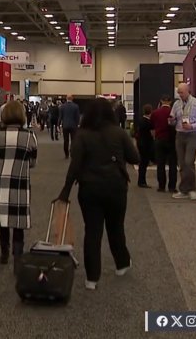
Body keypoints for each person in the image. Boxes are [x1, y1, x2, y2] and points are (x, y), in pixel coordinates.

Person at [57, 98, 138, 291]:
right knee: (116, 227)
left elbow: (75, 165)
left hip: (90, 188)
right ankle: (122, 263)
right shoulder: (119, 132)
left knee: (92, 231)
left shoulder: (82, 135)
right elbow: (135, 158)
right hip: (116, 187)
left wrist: (65, 191)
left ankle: (92, 278)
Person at [0, 101, 37, 268]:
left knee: (3, 217)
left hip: (0, 182)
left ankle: (4, 252)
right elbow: (32, 162)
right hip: (20, 181)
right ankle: (18, 256)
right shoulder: (29, 136)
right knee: (18, 220)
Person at [169, 83, 196, 201]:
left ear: (187, 91)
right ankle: (184, 190)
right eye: (178, 93)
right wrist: (171, 120)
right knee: (181, 163)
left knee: (189, 162)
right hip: (180, 135)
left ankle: (192, 189)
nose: (180, 95)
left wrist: (192, 126)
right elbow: (173, 119)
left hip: (192, 134)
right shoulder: (177, 104)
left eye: (181, 92)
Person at [150, 96, 178, 193]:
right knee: (173, 164)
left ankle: (161, 186)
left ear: (161, 101)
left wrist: (155, 137)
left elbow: (152, 127)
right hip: (172, 140)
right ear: (170, 102)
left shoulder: (155, 113)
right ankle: (172, 187)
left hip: (159, 140)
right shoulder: (173, 113)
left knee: (160, 164)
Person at [135, 104, 154, 188]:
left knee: (142, 163)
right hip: (146, 144)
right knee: (144, 163)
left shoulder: (140, 120)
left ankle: (141, 180)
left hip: (140, 143)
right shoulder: (149, 122)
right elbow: (152, 134)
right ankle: (142, 181)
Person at [60, 94, 81, 159]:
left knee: (66, 140)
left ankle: (66, 154)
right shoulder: (76, 106)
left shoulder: (62, 106)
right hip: (73, 126)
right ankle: (72, 152)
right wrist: (78, 124)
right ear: (72, 99)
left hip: (65, 125)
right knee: (73, 140)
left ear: (66, 98)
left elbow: (60, 117)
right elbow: (77, 117)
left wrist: (58, 125)